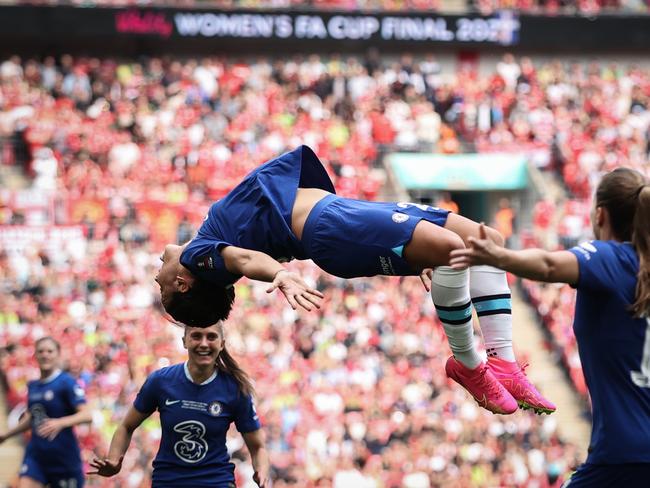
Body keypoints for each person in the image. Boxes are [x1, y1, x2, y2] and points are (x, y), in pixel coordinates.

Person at [156, 145, 555, 415]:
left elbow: (240, 253)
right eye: (161, 284)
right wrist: (281, 275)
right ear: (183, 284)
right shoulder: (199, 254)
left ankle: (502, 362)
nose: (158, 270)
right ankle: (470, 364)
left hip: (341, 214)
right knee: (453, 249)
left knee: (487, 242)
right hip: (330, 226)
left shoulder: (210, 244)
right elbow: (243, 259)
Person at [449, 167, 650, 486]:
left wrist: (498, 257)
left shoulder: (612, 259)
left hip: (624, 455)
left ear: (600, 215)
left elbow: (550, 264)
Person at [89, 321, 270, 488]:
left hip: (215, 481)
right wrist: (114, 459)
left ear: (222, 343)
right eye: (196, 336)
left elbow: (257, 446)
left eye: (211, 337)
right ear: (184, 341)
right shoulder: (161, 381)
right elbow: (127, 426)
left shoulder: (235, 388)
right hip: (168, 481)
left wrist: (261, 471)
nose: (204, 343)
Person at [0, 336, 92, 488]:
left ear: (58, 354)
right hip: (37, 455)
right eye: (41, 351)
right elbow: (31, 416)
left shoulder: (66, 382)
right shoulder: (33, 386)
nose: (45, 355)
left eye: (50, 351)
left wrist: (60, 422)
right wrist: (7, 435)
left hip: (63, 457)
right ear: (35, 355)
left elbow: (86, 415)